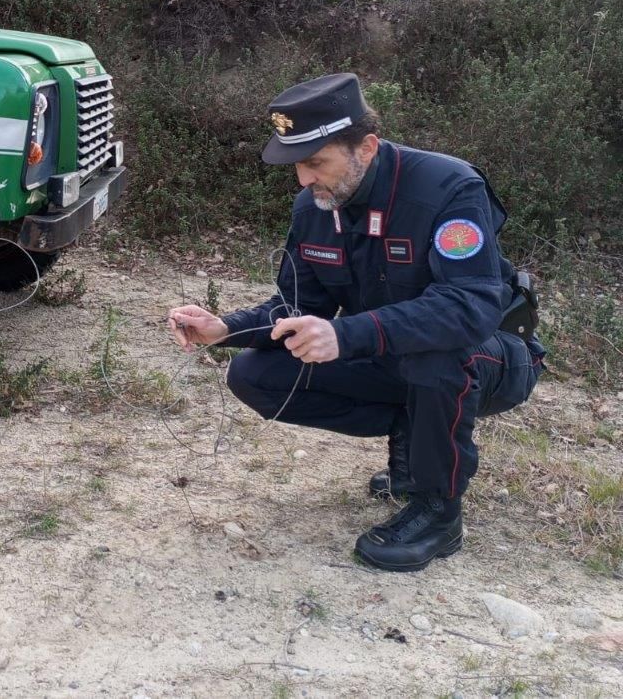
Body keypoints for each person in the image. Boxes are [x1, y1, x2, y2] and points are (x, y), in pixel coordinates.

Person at [166, 73, 544, 572]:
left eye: (316, 163)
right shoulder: (317, 206)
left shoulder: (448, 189)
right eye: (299, 165)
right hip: (392, 358)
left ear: (365, 147)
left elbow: (468, 308)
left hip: (493, 356)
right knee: (255, 373)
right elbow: (299, 304)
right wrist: (226, 329)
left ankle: (438, 509)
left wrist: (344, 334)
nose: (304, 180)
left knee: (436, 352)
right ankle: (417, 434)